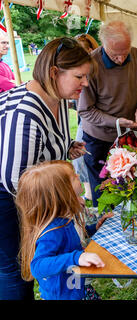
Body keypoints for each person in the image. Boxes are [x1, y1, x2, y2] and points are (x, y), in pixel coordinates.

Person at [0, 36, 93, 300]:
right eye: (79, 77)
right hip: (8, 198)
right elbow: (16, 181)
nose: (85, 83)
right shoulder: (26, 113)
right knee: (16, 270)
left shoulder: (59, 97)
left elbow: (43, 146)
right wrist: (64, 199)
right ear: (54, 73)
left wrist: (64, 147)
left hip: (30, 195)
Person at [78, 20, 137, 208]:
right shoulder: (91, 65)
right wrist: (116, 122)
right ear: (103, 44)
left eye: (125, 53)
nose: (121, 59)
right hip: (98, 140)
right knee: (104, 195)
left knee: (130, 188)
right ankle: (104, 232)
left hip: (127, 138)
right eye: (115, 55)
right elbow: (85, 110)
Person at [16, 160, 113, 300]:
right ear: (61, 192)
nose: (79, 176)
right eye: (73, 176)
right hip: (64, 295)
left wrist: (94, 228)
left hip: (77, 288)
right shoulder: (53, 231)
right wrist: (76, 257)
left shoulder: (64, 217)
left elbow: (72, 237)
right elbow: (37, 266)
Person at [73, 33, 100, 200]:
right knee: (81, 156)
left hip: (92, 119)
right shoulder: (78, 69)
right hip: (83, 116)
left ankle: (90, 190)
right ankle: (88, 189)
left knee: (84, 155)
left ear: (91, 50)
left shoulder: (94, 70)